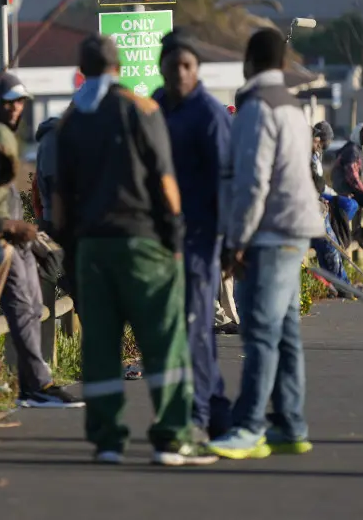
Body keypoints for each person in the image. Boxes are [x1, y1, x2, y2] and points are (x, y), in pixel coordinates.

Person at [54, 34, 214, 467]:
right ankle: (173, 437)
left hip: (91, 249)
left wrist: (74, 252)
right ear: (118, 65)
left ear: (82, 69)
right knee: (164, 342)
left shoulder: (70, 120)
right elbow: (165, 181)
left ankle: (108, 440)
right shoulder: (142, 109)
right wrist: (176, 239)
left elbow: (60, 202)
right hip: (144, 243)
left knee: (101, 348)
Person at [208, 27, 321, 461]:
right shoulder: (292, 105)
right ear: (281, 63)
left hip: (269, 232)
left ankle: (250, 426)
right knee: (285, 332)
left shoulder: (256, 107)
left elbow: (253, 181)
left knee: (260, 332)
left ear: (248, 62)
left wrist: (237, 240)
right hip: (295, 228)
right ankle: (290, 424)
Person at [0, 71, 82, 409]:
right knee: (22, 306)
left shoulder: (6, 136)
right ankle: (31, 384)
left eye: (19, 102)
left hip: (7, 237)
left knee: (30, 305)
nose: (14, 109)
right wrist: (10, 226)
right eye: (8, 102)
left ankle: (35, 383)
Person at [154, 30, 232, 439]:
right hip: (165, 238)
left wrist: (230, 241)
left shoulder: (209, 114)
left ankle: (199, 417)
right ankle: (218, 415)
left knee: (196, 327)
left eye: (188, 66)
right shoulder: (157, 107)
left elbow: (227, 181)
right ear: (162, 66)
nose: (180, 73)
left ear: (197, 69)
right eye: (173, 65)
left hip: (202, 238)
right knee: (181, 329)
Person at [309, 121, 356, 300]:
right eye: (315, 139)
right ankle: (342, 285)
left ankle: (335, 284)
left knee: (327, 247)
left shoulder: (314, 156)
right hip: (307, 212)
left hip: (314, 206)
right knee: (329, 246)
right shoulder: (305, 158)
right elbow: (316, 184)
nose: (318, 142)